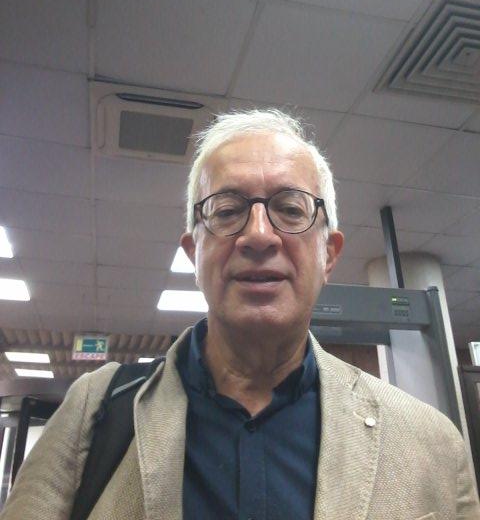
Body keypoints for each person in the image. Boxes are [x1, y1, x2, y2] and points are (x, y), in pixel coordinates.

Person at [2, 109, 479, 520]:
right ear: (194, 253)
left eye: (290, 209)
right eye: (227, 210)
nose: (258, 235)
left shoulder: (431, 444)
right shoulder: (94, 411)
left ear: (329, 254)